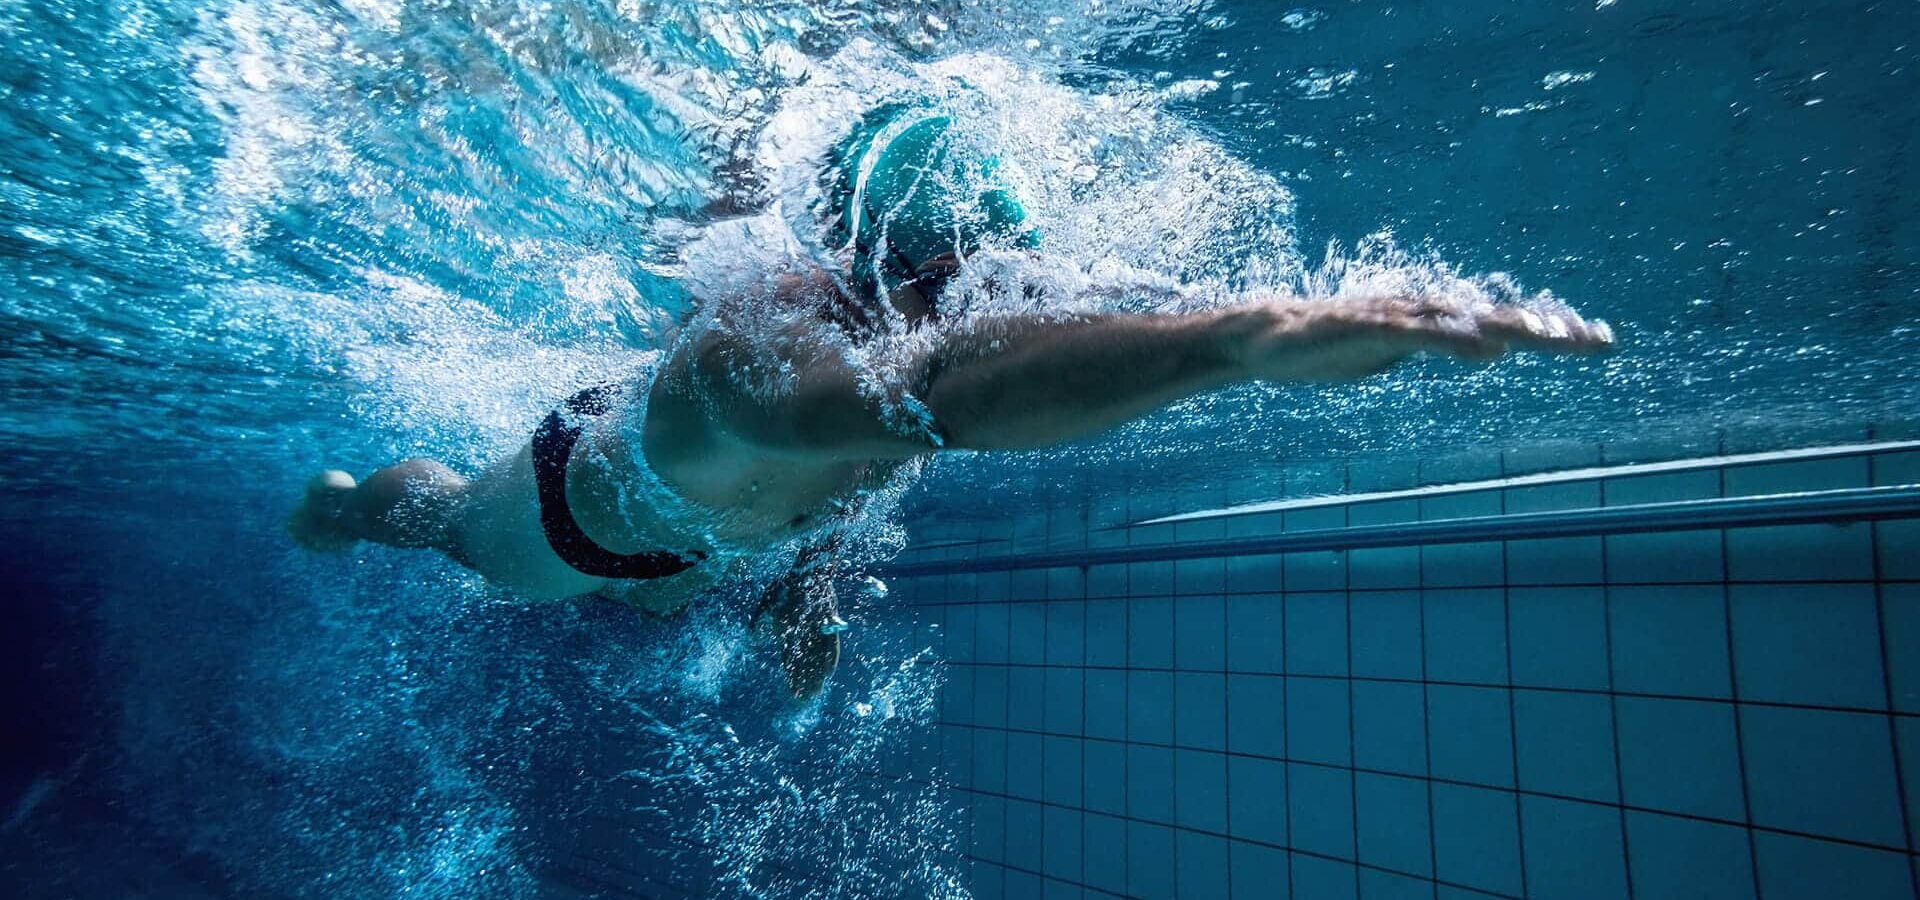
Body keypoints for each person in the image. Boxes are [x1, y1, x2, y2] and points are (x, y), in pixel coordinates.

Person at [288, 103, 1614, 697]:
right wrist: (1235, 342)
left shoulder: (889, 343)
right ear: (878, 263)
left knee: (662, 596)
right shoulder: (759, 347)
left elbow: (873, 456)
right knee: (444, 526)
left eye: (997, 279)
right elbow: (928, 401)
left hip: (698, 538)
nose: (982, 305)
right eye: (954, 280)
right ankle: (348, 506)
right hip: (564, 520)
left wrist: (808, 594)